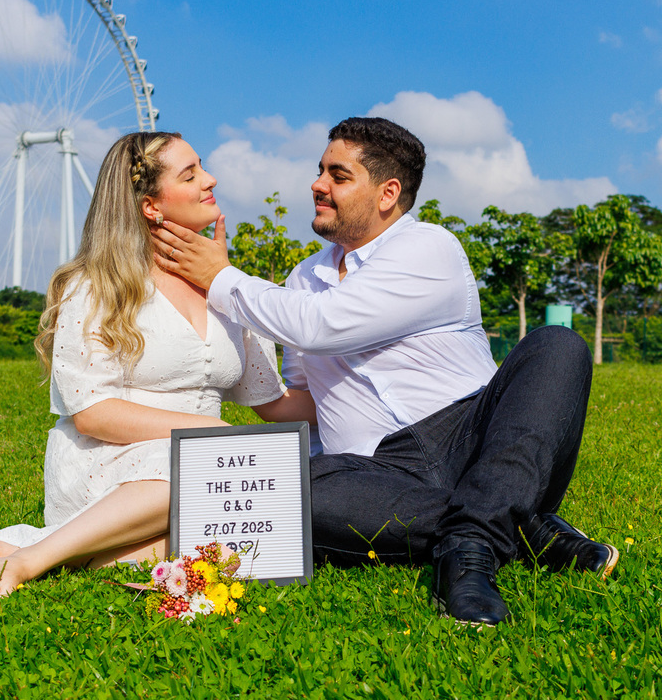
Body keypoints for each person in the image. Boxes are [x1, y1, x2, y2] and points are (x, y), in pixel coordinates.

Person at [152, 117, 617, 625]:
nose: (317, 185)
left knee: (557, 346)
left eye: (338, 175)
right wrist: (253, 395)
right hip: (376, 470)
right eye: (320, 171)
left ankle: (470, 547)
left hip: (472, 434)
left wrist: (220, 277)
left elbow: (323, 325)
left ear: (387, 193)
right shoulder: (303, 279)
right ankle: (517, 523)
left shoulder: (429, 248)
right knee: (284, 486)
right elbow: (308, 399)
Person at [0, 131, 315, 596]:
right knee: (194, 472)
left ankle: (74, 551)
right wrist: (206, 433)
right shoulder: (95, 286)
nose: (210, 180)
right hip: (111, 460)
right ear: (150, 206)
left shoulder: (229, 287)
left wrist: (363, 407)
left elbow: (272, 403)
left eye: (202, 168)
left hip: (207, 460)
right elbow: (92, 413)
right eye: (191, 175)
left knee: (264, 516)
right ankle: (31, 559)